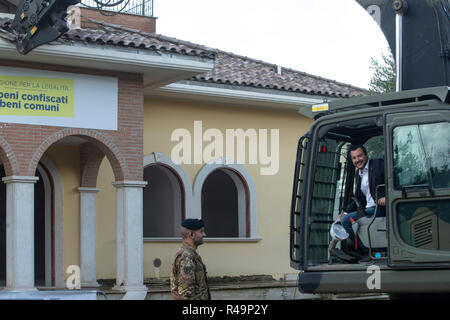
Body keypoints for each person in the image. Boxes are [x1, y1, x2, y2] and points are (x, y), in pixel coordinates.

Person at [338, 145, 385, 259]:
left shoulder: (379, 165)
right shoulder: (358, 174)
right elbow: (358, 198)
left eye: (359, 156)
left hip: (379, 208)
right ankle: (370, 249)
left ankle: (367, 251)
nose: (357, 160)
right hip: (368, 210)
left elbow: (394, 178)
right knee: (344, 219)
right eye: (354, 158)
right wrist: (345, 213)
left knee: (346, 221)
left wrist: (387, 196)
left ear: (366, 155)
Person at [170, 218, 211, 300]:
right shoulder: (186, 257)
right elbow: (186, 294)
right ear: (191, 235)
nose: (204, 234)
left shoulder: (191, 254)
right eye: (201, 231)